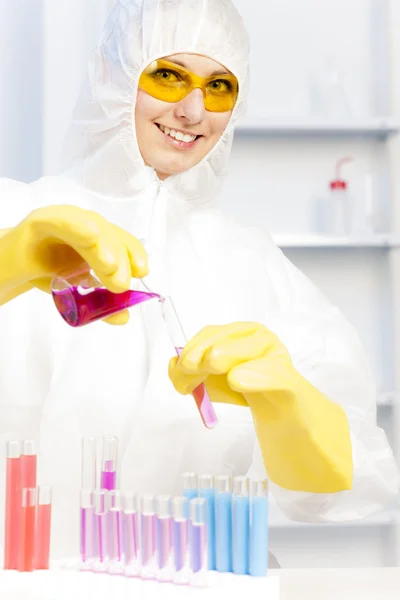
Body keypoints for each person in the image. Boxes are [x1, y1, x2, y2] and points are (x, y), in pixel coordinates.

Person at [0, 0, 398, 562]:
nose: (193, 110)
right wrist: (9, 262)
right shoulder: (14, 213)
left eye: (219, 87)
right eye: (168, 76)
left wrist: (290, 403)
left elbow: (343, 488)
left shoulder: (251, 261)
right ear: (112, 73)